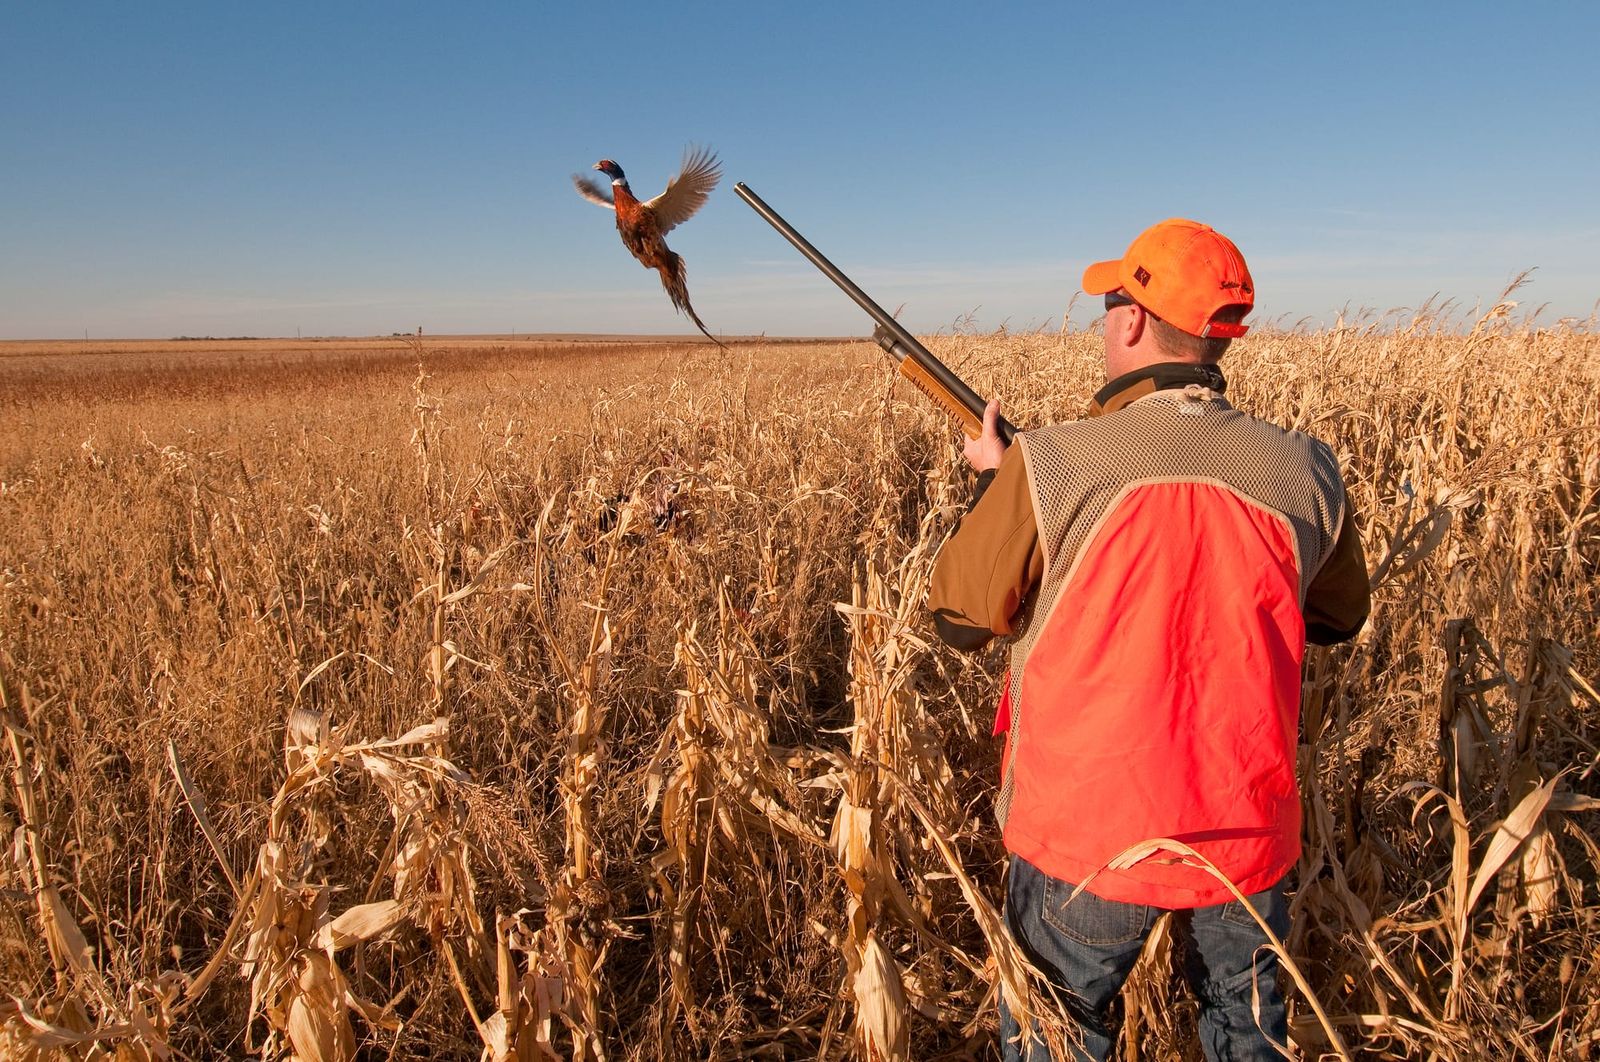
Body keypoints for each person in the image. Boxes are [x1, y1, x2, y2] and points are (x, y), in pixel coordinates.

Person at [926, 219, 1370, 1061]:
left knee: (1057, 1039)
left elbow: (958, 617)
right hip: (1243, 840)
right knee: (1248, 1040)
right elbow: (1336, 618)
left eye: (1108, 304)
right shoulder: (1306, 472)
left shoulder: (1052, 464)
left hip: (1084, 843)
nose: (1104, 322)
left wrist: (1001, 486)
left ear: (1132, 321)